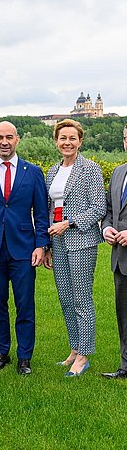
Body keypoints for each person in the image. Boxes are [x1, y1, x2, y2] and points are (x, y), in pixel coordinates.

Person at [0, 121, 49, 375]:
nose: (4, 141)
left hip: (24, 250)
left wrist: (41, 245)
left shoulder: (33, 171)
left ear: (18, 139)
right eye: (0, 137)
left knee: (25, 305)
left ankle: (25, 356)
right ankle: (1, 351)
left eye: (9, 137)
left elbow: (42, 213)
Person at [43, 119, 106, 376]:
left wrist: (68, 223)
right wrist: (47, 244)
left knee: (81, 299)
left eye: (72, 138)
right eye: (62, 138)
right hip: (57, 242)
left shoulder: (89, 169)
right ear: (56, 141)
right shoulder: (52, 171)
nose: (67, 142)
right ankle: (74, 348)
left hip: (81, 240)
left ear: (80, 141)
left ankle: (84, 355)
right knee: (66, 299)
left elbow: (98, 207)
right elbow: (48, 209)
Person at [102, 124, 127, 379]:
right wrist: (107, 228)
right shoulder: (119, 173)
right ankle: (125, 367)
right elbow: (110, 210)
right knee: (124, 316)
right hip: (121, 259)